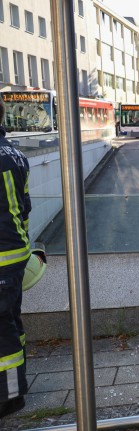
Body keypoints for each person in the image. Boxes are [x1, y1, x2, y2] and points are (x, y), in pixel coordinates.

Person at [0, 96, 31, 418]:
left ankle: (10, 395)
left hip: (3, 254)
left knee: (2, 327)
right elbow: (24, 206)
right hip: (15, 251)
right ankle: (17, 382)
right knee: (11, 319)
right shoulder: (16, 155)